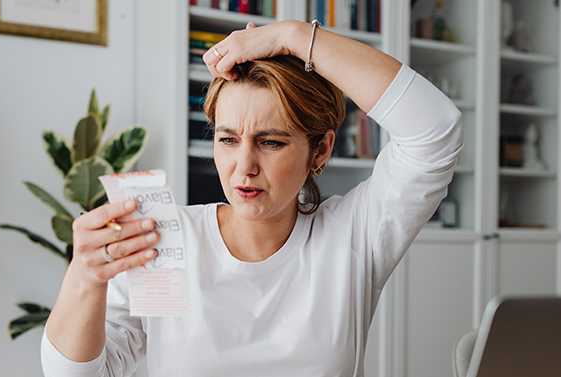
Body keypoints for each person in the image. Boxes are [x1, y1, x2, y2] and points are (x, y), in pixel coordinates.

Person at [41, 19, 463, 377]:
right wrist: (84, 278)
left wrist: (294, 36)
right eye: (227, 139)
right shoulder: (166, 243)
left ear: (320, 150)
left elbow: (435, 130)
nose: (244, 165)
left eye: (272, 142)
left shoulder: (352, 236)